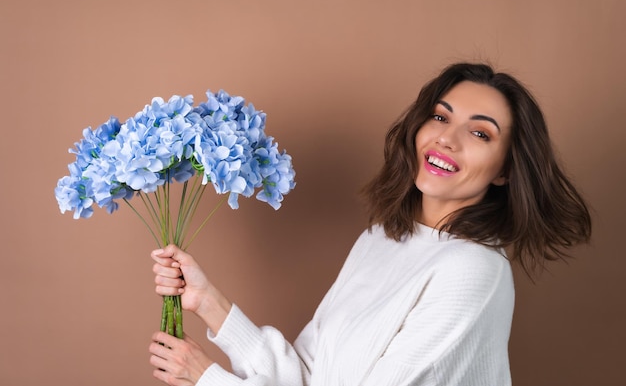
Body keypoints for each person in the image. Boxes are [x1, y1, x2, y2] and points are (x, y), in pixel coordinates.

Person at [148, 62, 592, 386]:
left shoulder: (474, 271)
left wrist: (206, 378)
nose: (446, 138)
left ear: (505, 170)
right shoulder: (380, 239)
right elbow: (306, 375)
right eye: (440, 116)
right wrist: (209, 303)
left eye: (480, 133)